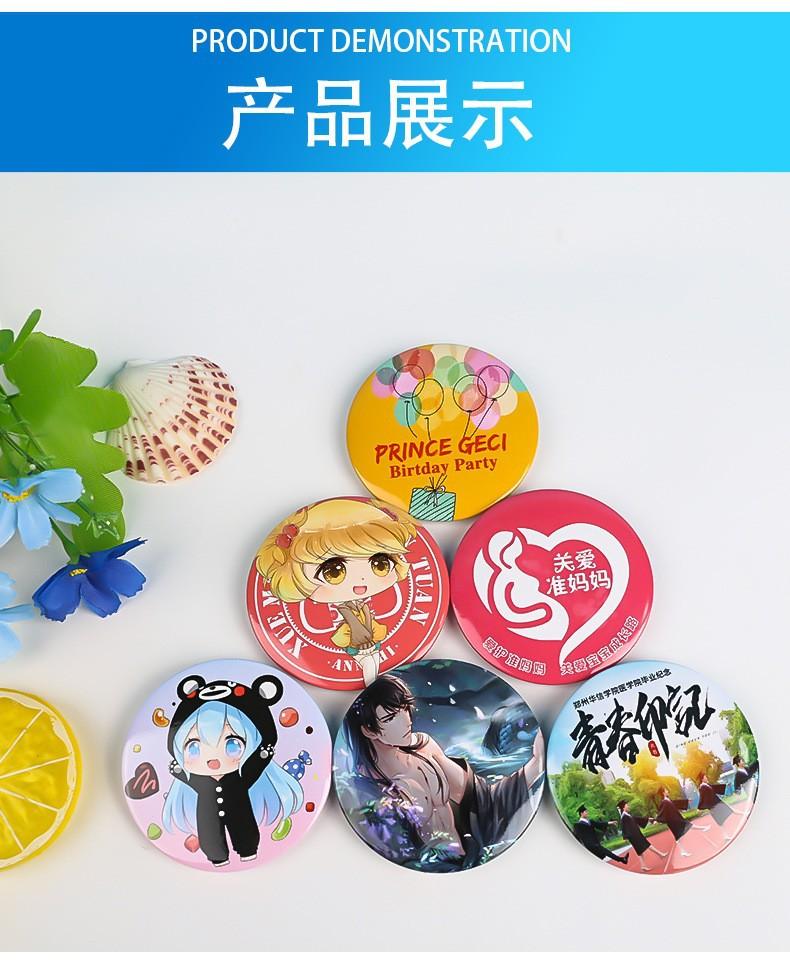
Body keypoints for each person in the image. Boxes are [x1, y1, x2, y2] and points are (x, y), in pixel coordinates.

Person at [342, 673, 544, 870]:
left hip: (470, 856)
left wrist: (535, 764)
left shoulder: (424, 746)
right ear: (369, 730)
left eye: (405, 708)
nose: (407, 720)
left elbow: (483, 801)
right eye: (391, 717)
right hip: (423, 870)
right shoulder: (365, 789)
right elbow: (391, 849)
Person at [256, 498, 417, 685]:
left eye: (380, 564)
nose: (360, 583)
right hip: (355, 642)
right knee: (370, 665)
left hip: (370, 642)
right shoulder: (344, 609)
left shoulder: (359, 605)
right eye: (334, 572)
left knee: (372, 665)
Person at [162, 674, 303, 867]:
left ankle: (248, 850)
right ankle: (217, 856)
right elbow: (190, 780)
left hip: (240, 812)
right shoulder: (201, 782)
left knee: (243, 827)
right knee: (209, 833)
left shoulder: (241, 777)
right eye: (194, 747)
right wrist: (179, 771)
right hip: (207, 814)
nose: (212, 759)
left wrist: (264, 755)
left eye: (232, 745)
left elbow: (255, 767)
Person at [616, 799, 667, 871]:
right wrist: (626, 837)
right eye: (627, 805)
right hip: (634, 836)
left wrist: (648, 819)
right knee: (646, 845)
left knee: (640, 852)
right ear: (624, 807)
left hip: (636, 835)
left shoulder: (627, 815)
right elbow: (624, 827)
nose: (628, 806)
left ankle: (644, 865)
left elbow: (637, 819)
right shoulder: (624, 817)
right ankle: (660, 854)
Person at [696, 773, 734, 840]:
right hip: (714, 806)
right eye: (705, 777)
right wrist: (699, 807)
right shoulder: (702, 787)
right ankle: (725, 836)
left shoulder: (706, 785)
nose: (706, 778)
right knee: (722, 820)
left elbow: (715, 788)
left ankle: (725, 836)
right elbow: (702, 798)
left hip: (717, 803)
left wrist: (725, 785)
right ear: (702, 779)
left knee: (730, 811)